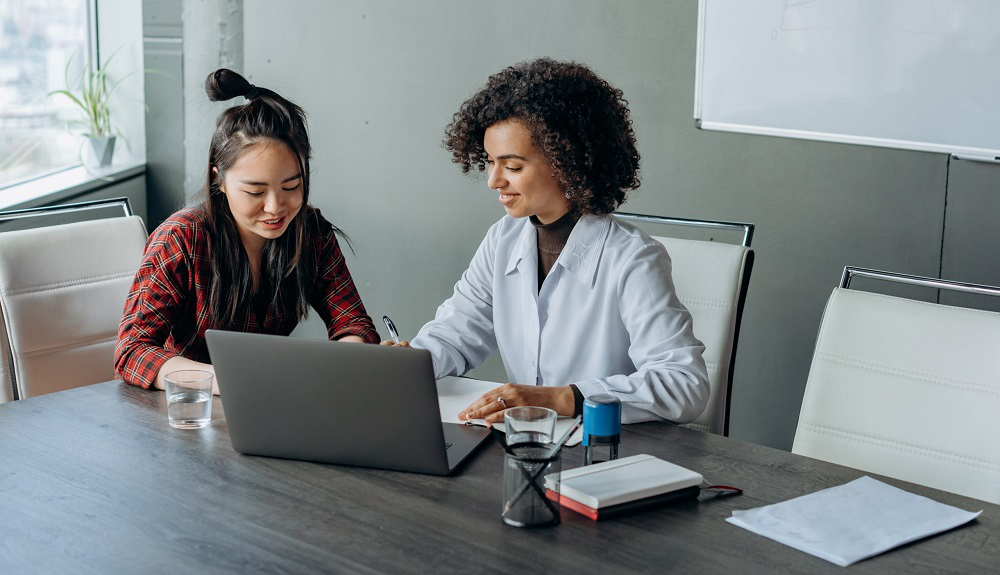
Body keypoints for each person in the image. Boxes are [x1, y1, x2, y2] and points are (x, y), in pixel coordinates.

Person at [393, 58, 709, 425]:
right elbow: (456, 332)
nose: (493, 181)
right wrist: (407, 364)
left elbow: (684, 384)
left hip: (603, 450)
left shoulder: (633, 259)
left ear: (567, 162)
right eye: (490, 162)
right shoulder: (503, 238)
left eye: (512, 167)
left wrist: (564, 397)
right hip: (526, 442)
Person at [115, 69, 379, 392]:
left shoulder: (310, 232)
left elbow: (353, 323)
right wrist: (232, 382)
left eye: (292, 186)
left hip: (267, 402)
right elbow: (132, 350)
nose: (275, 207)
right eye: (255, 192)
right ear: (219, 180)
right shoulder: (182, 238)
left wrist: (343, 362)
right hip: (187, 409)